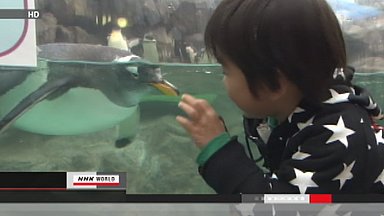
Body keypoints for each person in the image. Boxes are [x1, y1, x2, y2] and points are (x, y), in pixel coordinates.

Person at [176, 0, 384, 194]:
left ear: (273, 85)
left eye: (226, 70)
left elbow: (277, 208)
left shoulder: (335, 139)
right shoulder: (301, 109)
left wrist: (218, 150)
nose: (223, 80)